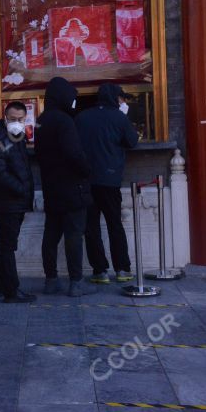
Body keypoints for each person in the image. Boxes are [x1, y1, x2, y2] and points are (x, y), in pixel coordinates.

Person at [35, 77, 96, 297]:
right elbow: (74, 154)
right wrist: (87, 169)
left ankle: (50, 280)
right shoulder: (64, 121)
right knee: (73, 235)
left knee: (51, 234)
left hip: (52, 187)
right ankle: (76, 282)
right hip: (72, 187)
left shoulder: (41, 120)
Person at [75, 84, 139, 284]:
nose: (124, 102)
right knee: (115, 225)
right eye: (123, 99)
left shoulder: (81, 117)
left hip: (86, 180)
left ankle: (100, 271)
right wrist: (124, 116)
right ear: (116, 98)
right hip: (110, 180)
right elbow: (132, 142)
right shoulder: (119, 117)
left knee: (91, 226)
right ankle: (122, 269)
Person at [0, 101, 37, 303]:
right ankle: (12, 290)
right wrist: (21, 188)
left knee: (4, 244)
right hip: (7, 202)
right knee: (8, 246)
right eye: (13, 119)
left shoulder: (17, 138)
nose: (17, 123)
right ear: (5, 118)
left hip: (14, 201)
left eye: (20, 120)